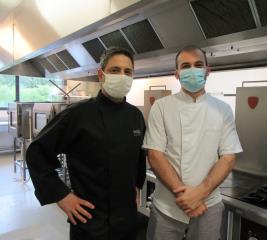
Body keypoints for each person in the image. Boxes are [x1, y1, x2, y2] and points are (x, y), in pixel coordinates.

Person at [26, 47, 146, 240]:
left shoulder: (135, 116)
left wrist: (136, 187)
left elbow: (139, 156)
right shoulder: (78, 114)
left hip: (126, 219)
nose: (122, 76)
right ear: (101, 74)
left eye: (127, 72)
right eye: (115, 70)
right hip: (90, 219)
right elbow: (36, 152)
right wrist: (62, 195)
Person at [143, 46, 242, 240]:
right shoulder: (161, 107)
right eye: (185, 66)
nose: (192, 70)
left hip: (208, 205)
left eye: (198, 65)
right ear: (177, 74)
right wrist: (186, 197)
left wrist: (198, 195)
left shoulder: (223, 110)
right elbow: (155, 155)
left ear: (207, 70)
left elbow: (228, 157)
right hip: (167, 207)